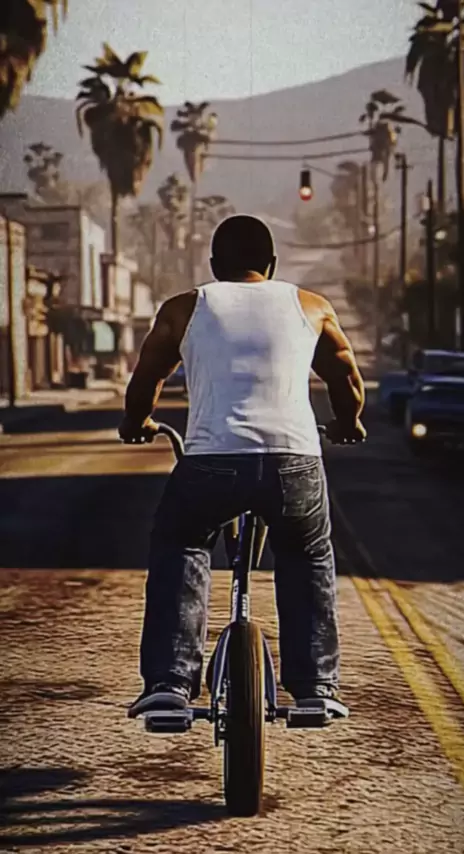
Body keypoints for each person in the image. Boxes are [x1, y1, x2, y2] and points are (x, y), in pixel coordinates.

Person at [119, 214, 366, 720]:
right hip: (293, 462)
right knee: (307, 553)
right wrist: (348, 422)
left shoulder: (185, 307)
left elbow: (147, 377)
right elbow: (345, 375)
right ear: (271, 265)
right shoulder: (311, 306)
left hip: (212, 461)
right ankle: (316, 686)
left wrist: (136, 421)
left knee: (180, 544)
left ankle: (169, 682)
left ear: (214, 265)